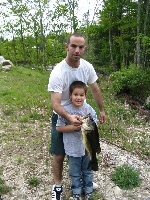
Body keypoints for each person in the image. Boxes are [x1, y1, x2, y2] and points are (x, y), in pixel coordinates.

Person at [48, 33, 106, 200]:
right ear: (67, 46)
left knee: (86, 150)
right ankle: (58, 186)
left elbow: (94, 89)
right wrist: (68, 117)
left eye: (81, 47)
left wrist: (101, 110)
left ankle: (87, 181)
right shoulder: (58, 72)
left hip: (83, 116)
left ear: (84, 49)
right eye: (73, 46)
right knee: (59, 155)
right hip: (62, 115)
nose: (77, 50)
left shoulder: (87, 67)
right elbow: (56, 103)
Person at [56, 81, 98, 200]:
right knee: (74, 173)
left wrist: (88, 125)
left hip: (87, 150)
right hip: (72, 149)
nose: (78, 97)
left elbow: (95, 124)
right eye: (75, 94)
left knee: (88, 171)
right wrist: (72, 127)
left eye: (81, 95)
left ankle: (88, 190)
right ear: (70, 95)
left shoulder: (89, 109)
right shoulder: (65, 110)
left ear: (85, 96)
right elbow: (59, 128)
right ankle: (76, 192)